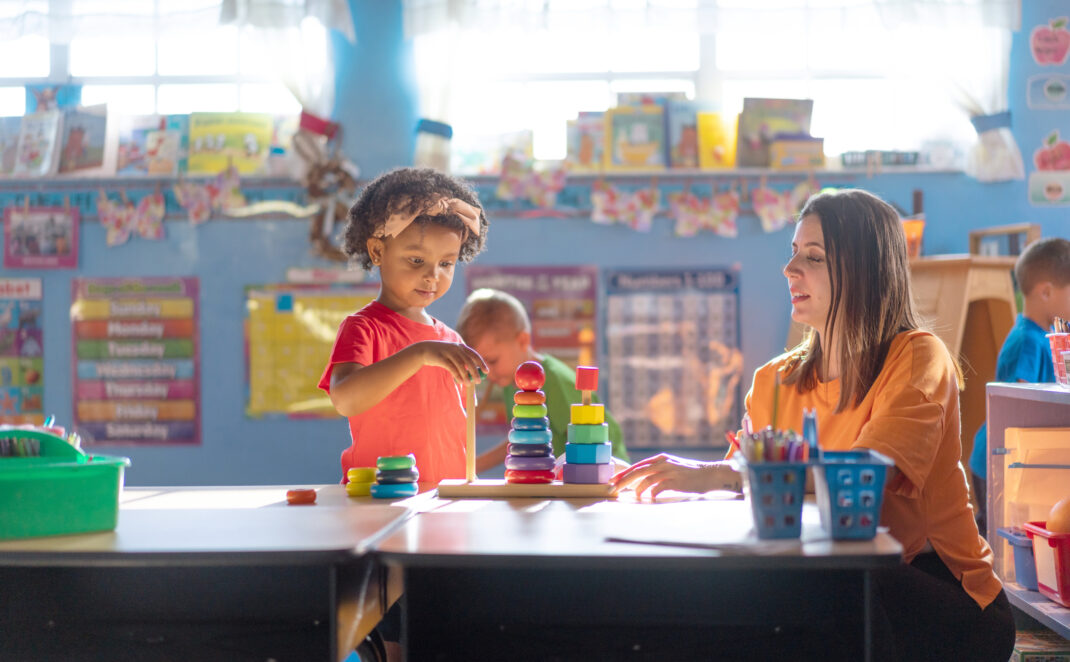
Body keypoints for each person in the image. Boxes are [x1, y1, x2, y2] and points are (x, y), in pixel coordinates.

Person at [612, 189, 1015, 662]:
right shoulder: (773, 381)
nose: (790, 270)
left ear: (863, 270)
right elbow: (746, 493)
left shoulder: (918, 356)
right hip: (832, 572)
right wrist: (685, 487)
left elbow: (860, 478)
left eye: (815, 257)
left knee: (810, 592)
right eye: (793, 253)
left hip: (938, 592)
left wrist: (720, 474)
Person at [318, 167, 490, 488]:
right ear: (378, 251)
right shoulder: (364, 328)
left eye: (446, 263)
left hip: (443, 500)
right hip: (380, 501)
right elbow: (345, 399)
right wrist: (419, 354)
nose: (432, 276)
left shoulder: (449, 340)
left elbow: (452, 427)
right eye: (416, 260)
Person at [456, 288, 629, 472]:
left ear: (523, 341)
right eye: (480, 365)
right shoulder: (510, 383)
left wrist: (475, 465)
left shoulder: (553, 381)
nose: (487, 374)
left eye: (492, 361)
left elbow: (591, 440)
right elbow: (524, 437)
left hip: (601, 471)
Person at [968, 236, 1070, 532]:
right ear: (1047, 292)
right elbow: (1018, 406)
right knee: (999, 536)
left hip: (1014, 459)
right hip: (998, 461)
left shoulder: (1046, 336)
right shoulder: (1027, 341)